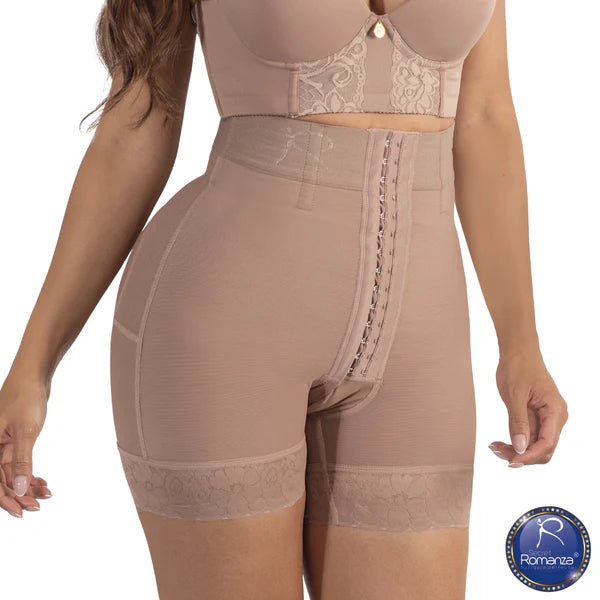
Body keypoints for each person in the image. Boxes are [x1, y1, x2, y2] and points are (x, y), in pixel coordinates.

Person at [0, 1, 569, 599]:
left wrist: (521, 344)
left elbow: (486, 119)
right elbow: (136, 128)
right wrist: (33, 368)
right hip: (224, 325)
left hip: (422, 339)